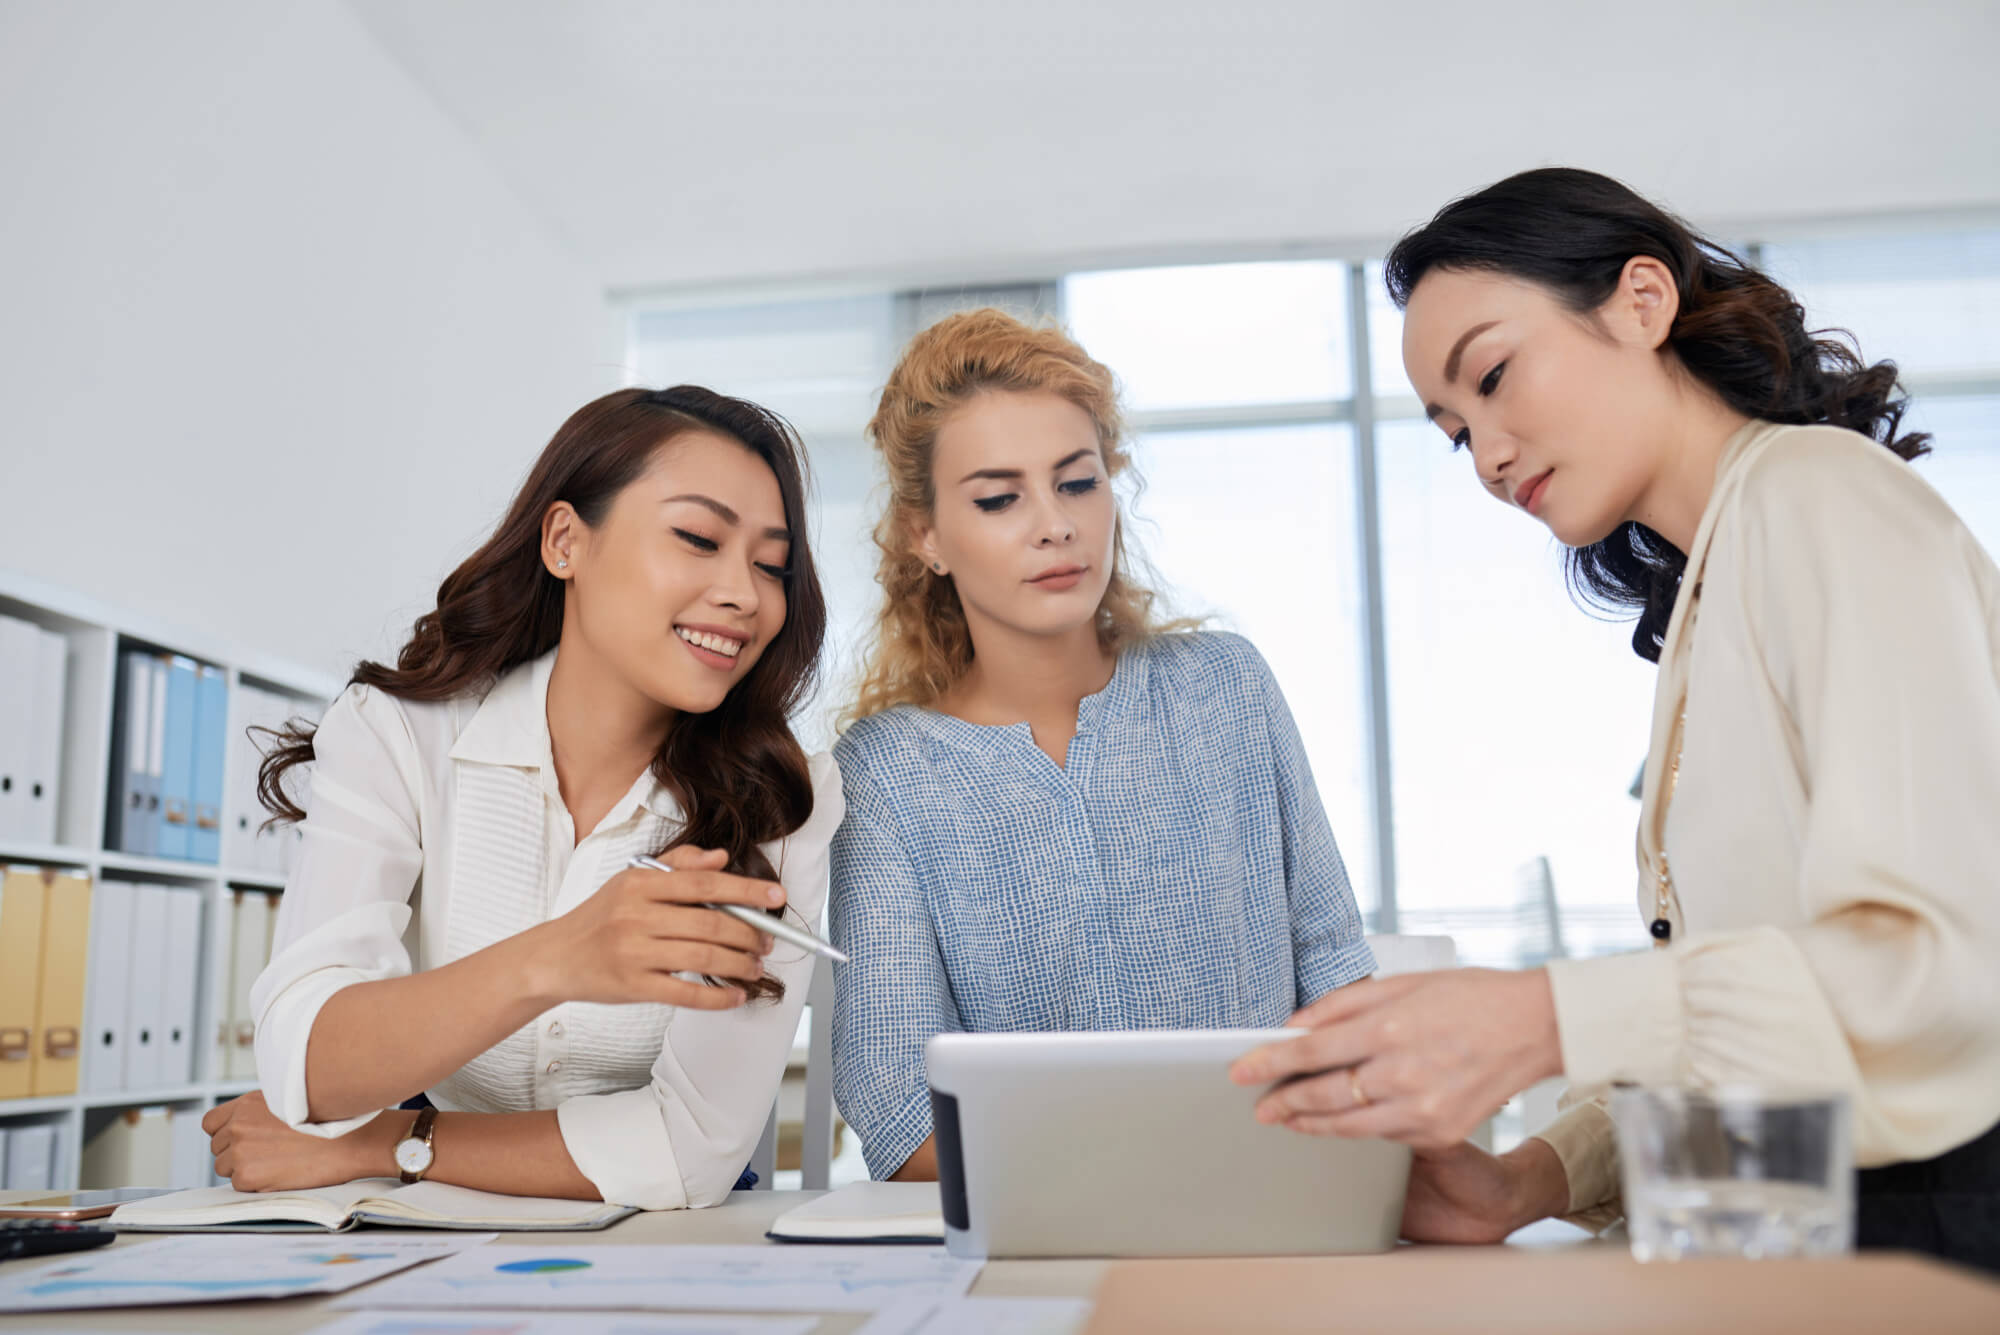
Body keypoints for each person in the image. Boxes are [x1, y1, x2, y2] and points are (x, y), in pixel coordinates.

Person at [1231, 168, 2000, 1270]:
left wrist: (1542, 1017)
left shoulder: (1819, 495)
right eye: (1455, 432)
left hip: (1931, 1238)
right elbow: (1761, 1027)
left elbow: (1939, 967)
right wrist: (1523, 1182)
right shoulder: (1715, 588)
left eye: (1494, 376)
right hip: (1795, 1221)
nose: (1487, 457)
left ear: (1642, 301)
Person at [201, 386, 843, 1210]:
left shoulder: (784, 795)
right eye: (698, 538)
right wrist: (558, 958)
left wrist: (380, 1143)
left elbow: (690, 1153)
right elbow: (306, 1059)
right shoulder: (399, 731)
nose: (745, 595)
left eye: (770, 565)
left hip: (657, 1240)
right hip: (427, 1230)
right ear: (566, 541)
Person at [830, 308, 1373, 1182]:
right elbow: (897, 1108)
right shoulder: (886, 772)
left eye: (1077, 482)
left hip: (1274, 1203)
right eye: (999, 498)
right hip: (1042, 1239)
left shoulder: (1226, 689)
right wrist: (1136, 1177)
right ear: (924, 535)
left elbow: (1337, 971)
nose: (1055, 525)